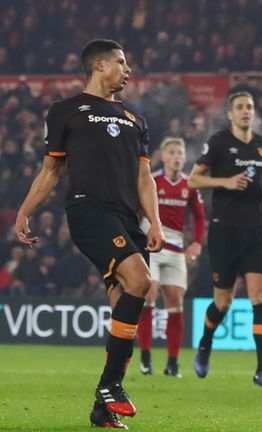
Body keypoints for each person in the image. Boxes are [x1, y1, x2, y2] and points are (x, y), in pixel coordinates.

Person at [14, 39, 164, 429]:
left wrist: (155, 221)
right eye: (121, 62)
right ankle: (112, 385)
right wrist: (24, 212)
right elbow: (50, 171)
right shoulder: (65, 111)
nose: (128, 70)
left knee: (124, 310)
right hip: (88, 210)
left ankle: (102, 408)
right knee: (141, 280)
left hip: (127, 219)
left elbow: (144, 177)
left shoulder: (136, 119)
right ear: (99, 65)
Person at [188, 91, 262, 390]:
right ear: (230, 114)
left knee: (260, 298)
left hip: (256, 230)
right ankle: (205, 343)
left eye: (249, 107)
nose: (245, 111)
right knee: (223, 302)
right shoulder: (218, 143)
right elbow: (193, 179)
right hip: (224, 230)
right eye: (240, 107)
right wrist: (224, 182)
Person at [136, 137, 206, 378]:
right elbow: (136, 208)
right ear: (164, 157)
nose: (177, 157)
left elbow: (199, 218)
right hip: (151, 241)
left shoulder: (190, 185)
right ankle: (145, 356)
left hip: (176, 245)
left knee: (175, 300)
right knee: (150, 292)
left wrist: (197, 242)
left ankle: (172, 363)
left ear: (184, 158)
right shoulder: (152, 180)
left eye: (180, 153)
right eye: (172, 152)